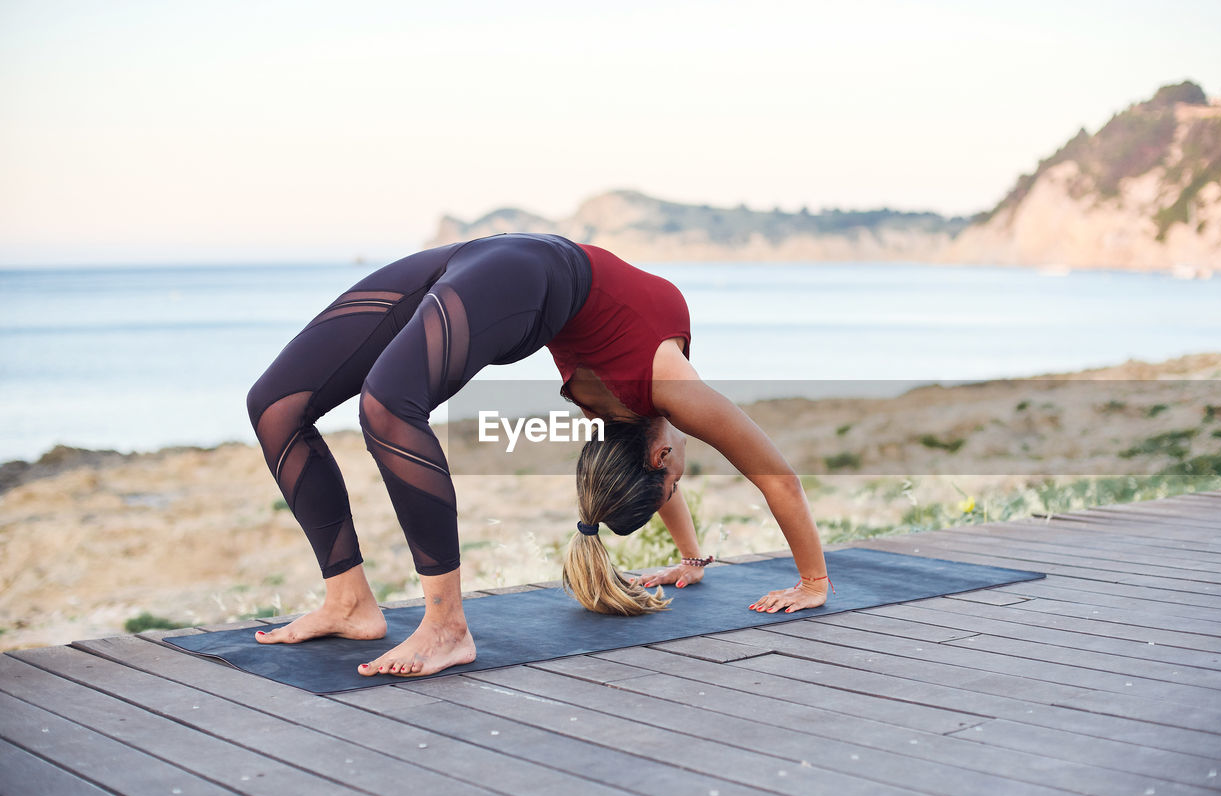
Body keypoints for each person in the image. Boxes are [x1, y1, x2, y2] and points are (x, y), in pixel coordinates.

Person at [246, 233, 829, 677]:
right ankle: (354, 603)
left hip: (503, 266)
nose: (681, 477)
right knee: (275, 405)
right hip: (508, 268)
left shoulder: (623, 417)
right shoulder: (674, 391)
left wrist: (692, 560)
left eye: (675, 485)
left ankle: (439, 622)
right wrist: (813, 580)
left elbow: (646, 478)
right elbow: (777, 478)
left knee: (387, 406)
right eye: (674, 486)